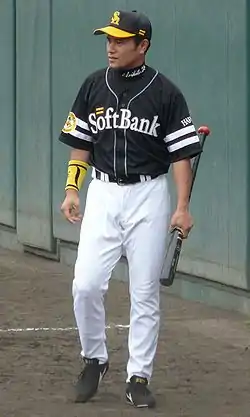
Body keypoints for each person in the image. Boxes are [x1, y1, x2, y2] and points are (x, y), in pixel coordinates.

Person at [59, 9, 202, 409]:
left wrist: (183, 207)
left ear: (143, 46)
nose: (111, 46)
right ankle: (94, 359)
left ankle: (138, 376)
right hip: (102, 193)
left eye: (121, 40)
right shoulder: (93, 85)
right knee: (85, 283)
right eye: (109, 39)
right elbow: (81, 141)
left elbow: (180, 156)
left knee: (144, 292)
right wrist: (72, 189)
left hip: (148, 196)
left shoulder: (166, 93)